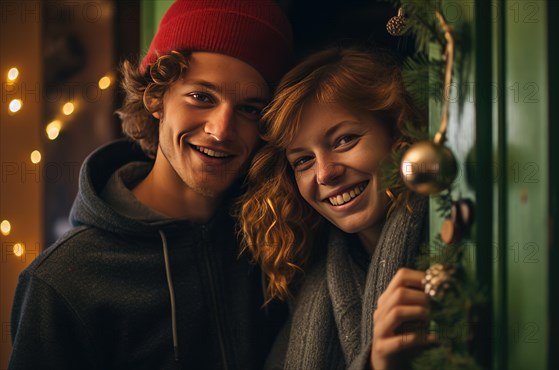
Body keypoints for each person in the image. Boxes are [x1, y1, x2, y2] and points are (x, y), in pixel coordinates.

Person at [9, 1, 293, 369]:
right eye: (201, 97)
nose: (221, 130)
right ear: (156, 97)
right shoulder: (63, 280)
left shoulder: (278, 236)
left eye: (249, 109)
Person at [239, 47, 436, 369]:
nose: (325, 173)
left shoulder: (451, 240)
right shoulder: (312, 286)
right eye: (303, 160)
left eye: (344, 140)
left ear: (397, 130)